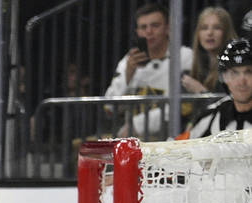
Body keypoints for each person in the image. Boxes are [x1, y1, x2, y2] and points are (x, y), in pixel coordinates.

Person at [104, 3, 193, 138]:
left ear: (168, 28)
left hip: (171, 140)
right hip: (133, 142)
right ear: (137, 32)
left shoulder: (184, 56)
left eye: (155, 25)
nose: (149, 32)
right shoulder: (128, 61)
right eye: (143, 27)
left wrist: (137, 125)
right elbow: (109, 107)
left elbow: (183, 106)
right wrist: (127, 76)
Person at [184, 37, 252, 137]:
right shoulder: (211, 116)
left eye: (249, 72)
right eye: (234, 73)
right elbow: (180, 147)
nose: (241, 82)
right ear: (223, 78)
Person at [183, 6, 236, 95]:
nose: (210, 33)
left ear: (226, 32)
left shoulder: (235, 68)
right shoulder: (196, 69)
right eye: (204, 28)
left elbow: (230, 106)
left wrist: (201, 91)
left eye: (217, 27)